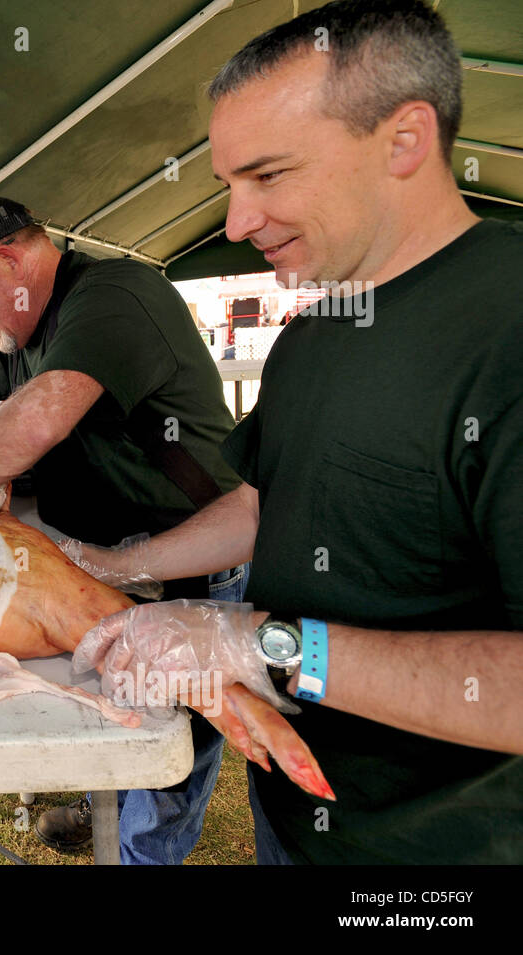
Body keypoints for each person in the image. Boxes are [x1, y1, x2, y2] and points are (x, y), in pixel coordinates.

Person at [75, 0, 523, 863]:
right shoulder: (308, 337)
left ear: (404, 140)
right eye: (228, 186)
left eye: (268, 177)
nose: (238, 223)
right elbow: (265, 502)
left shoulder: (506, 326)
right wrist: (114, 564)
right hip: (296, 822)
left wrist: (262, 642)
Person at [0, 194, 249, 863]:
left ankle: (144, 849)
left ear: (9, 259)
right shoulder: (18, 336)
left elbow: (36, 420)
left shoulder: (112, 296)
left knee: (174, 734)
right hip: (100, 556)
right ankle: (114, 802)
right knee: (116, 699)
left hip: (191, 553)